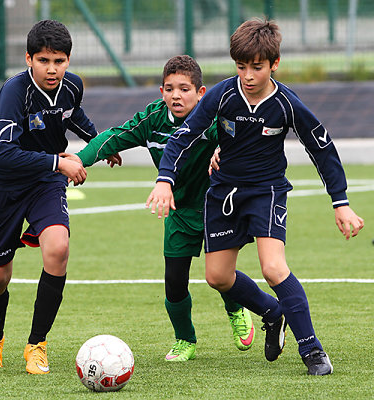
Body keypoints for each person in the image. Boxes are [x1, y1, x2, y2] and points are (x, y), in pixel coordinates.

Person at [146, 19, 364, 375]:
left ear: (274, 64)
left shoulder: (286, 103)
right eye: (241, 66)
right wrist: (164, 179)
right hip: (223, 195)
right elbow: (183, 135)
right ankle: (272, 312)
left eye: (257, 67)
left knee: (273, 267)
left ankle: (312, 350)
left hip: (267, 192)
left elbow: (321, 149)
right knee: (217, 277)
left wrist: (340, 202)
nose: (248, 75)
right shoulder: (223, 94)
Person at [64, 55, 255, 362]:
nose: (176, 95)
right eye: (169, 88)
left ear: (201, 92)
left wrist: (223, 151)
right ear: (161, 91)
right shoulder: (153, 119)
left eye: (184, 88)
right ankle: (185, 340)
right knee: (174, 281)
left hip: (218, 207)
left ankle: (235, 308)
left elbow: (240, 140)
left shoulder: (214, 117)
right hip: (178, 210)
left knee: (220, 274)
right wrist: (81, 158)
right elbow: (115, 136)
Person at [0, 19, 118, 374]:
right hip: (5, 185)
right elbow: (4, 152)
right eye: (43, 61)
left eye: (59, 61)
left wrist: (100, 142)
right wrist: (59, 161)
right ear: (29, 59)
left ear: (68, 60)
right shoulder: (14, 92)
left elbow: (73, 115)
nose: (52, 69)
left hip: (45, 183)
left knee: (58, 248)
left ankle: (36, 345)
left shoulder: (72, 86)